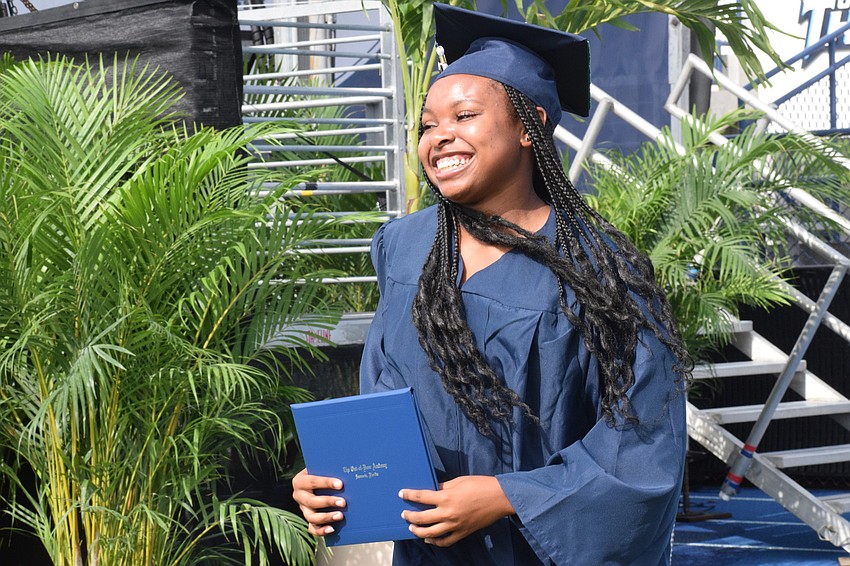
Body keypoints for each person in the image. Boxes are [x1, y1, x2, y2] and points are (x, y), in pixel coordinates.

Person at [292, 4, 691, 565]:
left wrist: (509, 496)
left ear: (531, 125)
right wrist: (336, 477)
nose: (440, 137)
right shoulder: (404, 247)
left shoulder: (600, 268)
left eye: (464, 116)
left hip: (541, 550)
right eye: (429, 124)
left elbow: (643, 442)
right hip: (428, 550)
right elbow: (382, 397)